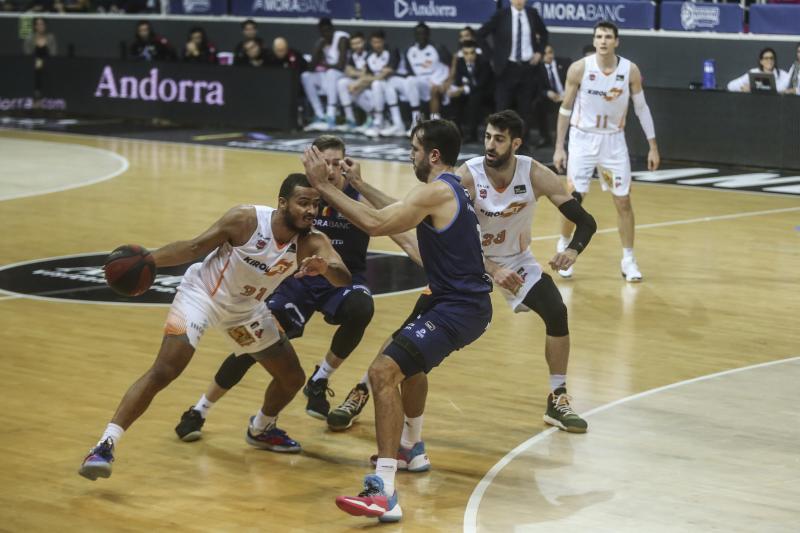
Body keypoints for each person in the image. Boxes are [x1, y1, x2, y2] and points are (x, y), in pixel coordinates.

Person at [77, 174, 352, 481]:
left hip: (246, 313)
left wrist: (326, 268)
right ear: (282, 203)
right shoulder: (246, 220)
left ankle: (261, 428)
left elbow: (344, 277)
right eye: (304, 203)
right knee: (166, 369)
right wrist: (147, 261)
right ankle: (104, 446)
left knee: (292, 378)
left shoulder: (313, 242)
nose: (311, 210)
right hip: (201, 297)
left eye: (316, 204)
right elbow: (193, 247)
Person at [302, 120, 493, 522]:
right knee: (409, 367)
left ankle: (384, 491)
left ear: (433, 155)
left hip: (456, 307)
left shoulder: (435, 191)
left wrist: (325, 187)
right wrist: (359, 184)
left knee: (382, 372)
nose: (410, 154)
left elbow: (375, 223)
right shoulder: (450, 188)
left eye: (414, 148)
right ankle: (410, 448)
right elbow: (395, 211)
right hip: (455, 303)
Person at [174, 136, 421, 440]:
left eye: (336, 163)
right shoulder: (302, 197)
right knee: (255, 344)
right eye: (324, 162)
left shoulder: (359, 197)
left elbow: (406, 236)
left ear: (345, 163)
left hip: (342, 278)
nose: (329, 169)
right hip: (298, 281)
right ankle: (200, 408)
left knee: (361, 307)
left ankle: (319, 379)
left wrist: (437, 268)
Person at [459, 110, 595, 432]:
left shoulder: (535, 174)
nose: (490, 145)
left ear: (515, 144)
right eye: (488, 137)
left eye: (499, 139)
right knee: (426, 319)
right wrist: (489, 268)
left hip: (515, 261)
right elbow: (447, 236)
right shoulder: (467, 176)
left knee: (556, 311)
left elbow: (586, 221)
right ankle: (371, 383)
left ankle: (557, 397)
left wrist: (572, 250)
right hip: (469, 260)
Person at [553, 21, 660, 282]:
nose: (603, 41)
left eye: (608, 37)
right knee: (573, 200)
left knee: (623, 200)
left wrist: (653, 146)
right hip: (582, 139)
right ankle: (565, 248)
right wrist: (559, 146)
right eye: (599, 36)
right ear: (594, 40)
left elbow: (641, 108)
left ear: (616, 41)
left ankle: (629, 259)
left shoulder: (629, 70)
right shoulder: (579, 68)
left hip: (613, 141)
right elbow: (565, 109)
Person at [478, 0, 548, 145]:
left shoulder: (532, 13)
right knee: (502, 108)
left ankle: (522, 143)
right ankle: (497, 141)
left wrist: (539, 52)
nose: (519, 1)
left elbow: (544, 33)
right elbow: (481, 34)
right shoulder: (501, 15)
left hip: (528, 68)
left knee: (525, 109)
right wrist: (492, 57)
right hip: (506, 69)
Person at [302, 18, 350, 131]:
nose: (326, 34)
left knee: (331, 72)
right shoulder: (322, 42)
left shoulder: (341, 38)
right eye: (323, 32)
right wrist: (318, 48)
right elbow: (311, 67)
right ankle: (320, 114)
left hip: (343, 76)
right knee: (306, 76)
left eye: (328, 30)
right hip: (330, 78)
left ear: (333, 29)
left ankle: (331, 115)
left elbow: (341, 66)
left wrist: (325, 65)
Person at [403, 23, 452, 126]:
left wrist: (447, 81)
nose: (421, 36)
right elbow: (409, 71)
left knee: (429, 87)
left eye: (423, 34)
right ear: (415, 35)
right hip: (420, 83)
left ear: (428, 34)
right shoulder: (410, 50)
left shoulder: (437, 48)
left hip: (437, 81)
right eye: (418, 34)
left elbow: (452, 65)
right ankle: (415, 121)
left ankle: (435, 122)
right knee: (408, 81)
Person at [363, 30, 409, 138]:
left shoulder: (392, 51)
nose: (377, 45)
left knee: (378, 83)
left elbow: (388, 72)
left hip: (401, 82)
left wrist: (372, 79)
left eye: (379, 42)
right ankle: (381, 123)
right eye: (374, 42)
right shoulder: (370, 56)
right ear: (370, 43)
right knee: (375, 85)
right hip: (384, 85)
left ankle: (387, 123)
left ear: (383, 41)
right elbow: (365, 75)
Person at [447, 40, 493, 142]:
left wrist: (464, 88)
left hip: (484, 92)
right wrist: (457, 90)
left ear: (476, 52)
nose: (469, 56)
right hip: (468, 91)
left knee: (474, 98)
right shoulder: (460, 62)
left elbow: (482, 82)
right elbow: (459, 80)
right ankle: (457, 133)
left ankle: (472, 134)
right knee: (454, 98)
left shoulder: (483, 62)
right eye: (466, 53)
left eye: (472, 53)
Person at [336, 33, 374, 133]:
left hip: (372, 87)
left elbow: (370, 76)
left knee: (354, 89)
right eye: (353, 44)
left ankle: (373, 117)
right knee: (342, 83)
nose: (356, 46)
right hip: (360, 85)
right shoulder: (353, 56)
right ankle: (350, 119)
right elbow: (348, 71)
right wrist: (359, 74)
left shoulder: (371, 54)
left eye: (359, 43)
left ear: (364, 42)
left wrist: (357, 81)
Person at [533, 44, 569, 147]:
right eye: (545, 53)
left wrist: (567, 93)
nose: (548, 55)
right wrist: (547, 93)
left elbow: (574, 80)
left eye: (550, 52)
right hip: (552, 99)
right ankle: (545, 138)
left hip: (567, 96)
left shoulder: (565, 63)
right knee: (538, 105)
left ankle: (567, 139)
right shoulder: (537, 69)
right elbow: (537, 88)